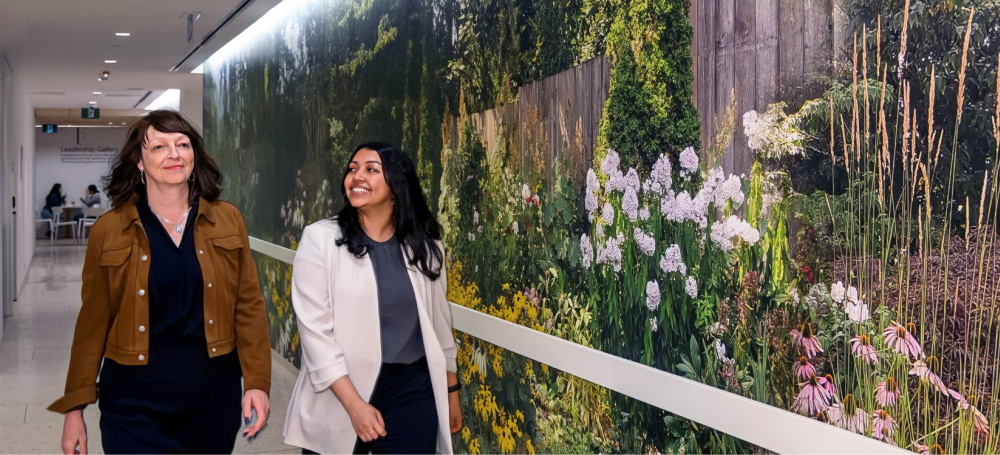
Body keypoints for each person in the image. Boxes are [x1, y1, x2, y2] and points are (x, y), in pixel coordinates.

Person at [49, 110, 272, 454]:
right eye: (159, 147)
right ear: (139, 161)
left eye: (182, 144)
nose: (174, 154)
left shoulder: (227, 219)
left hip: (212, 396)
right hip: (133, 401)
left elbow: (249, 306)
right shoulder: (109, 230)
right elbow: (93, 322)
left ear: (193, 156)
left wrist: (257, 382)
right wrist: (74, 408)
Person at [284, 142, 462, 454]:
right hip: (341, 386)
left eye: (371, 169)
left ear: (396, 186)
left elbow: (439, 326)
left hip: (411, 388)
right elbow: (315, 335)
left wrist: (451, 391)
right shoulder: (321, 240)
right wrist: (354, 406)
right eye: (352, 169)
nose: (356, 176)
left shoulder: (426, 249)